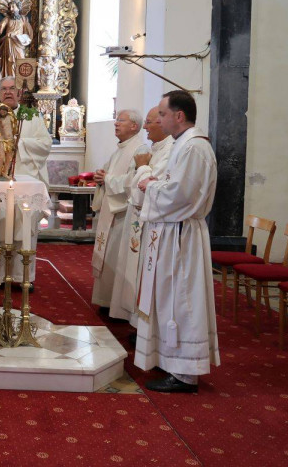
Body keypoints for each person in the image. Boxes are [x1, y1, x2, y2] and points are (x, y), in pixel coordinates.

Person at [135, 91, 219, 393]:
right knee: (171, 299)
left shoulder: (194, 148)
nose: (159, 119)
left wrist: (151, 184)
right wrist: (157, 184)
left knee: (182, 300)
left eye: (163, 114)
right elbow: (175, 188)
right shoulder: (183, 145)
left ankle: (185, 374)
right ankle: (172, 361)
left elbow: (180, 196)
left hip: (181, 234)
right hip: (172, 231)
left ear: (178, 116)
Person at [117, 106, 174, 328]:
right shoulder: (155, 148)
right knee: (139, 272)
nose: (146, 128)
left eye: (149, 123)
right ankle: (137, 321)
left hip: (153, 220)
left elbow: (148, 187)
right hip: (142, 216)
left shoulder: (169, 150)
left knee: (148, 275)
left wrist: (142, 167)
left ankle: (144, 325)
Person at [90, 109, 149, 321]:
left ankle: (117, 306)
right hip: (111, 210)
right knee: (108, 257)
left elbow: (132, 181)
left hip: (123, 213)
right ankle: (106, 300)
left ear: (134, 125)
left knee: (116, 257)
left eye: (121, 121)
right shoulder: (120, 150)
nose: (116, 124)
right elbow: (108, 174)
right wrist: (100, 177)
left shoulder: (140, 150)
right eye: (116, 120)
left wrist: (107, 179)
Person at [0, 76, 53, 185]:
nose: (8, 92)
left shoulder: (33, 117)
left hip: (25, 177)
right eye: (4, 89)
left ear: (19, 93)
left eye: (12, 88)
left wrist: (20, 143)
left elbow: (45, 144)